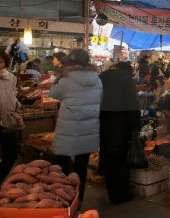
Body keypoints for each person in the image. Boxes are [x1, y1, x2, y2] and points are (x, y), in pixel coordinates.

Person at [48, 48, 102, 205]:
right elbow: (99, 98)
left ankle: (63, 202)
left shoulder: (67, 79)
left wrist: (60, 75)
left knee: (62, 167)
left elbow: (52, 93)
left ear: (70, 62)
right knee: (81, 168)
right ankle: (79, 200)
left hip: (68, 130)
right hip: (89, 130)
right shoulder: (97, 79)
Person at [99, 61, 141, 205]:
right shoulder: (126, 79)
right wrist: (136, 127)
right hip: (122, 123)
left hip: (104, 121)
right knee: (122, 160)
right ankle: (121, 194)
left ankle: (111, 193)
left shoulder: (101, 77)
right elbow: (132, 103)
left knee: (108, 157)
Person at [0, 50, 21, 184]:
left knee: (11, 155)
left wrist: (17, 107)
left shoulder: (12, 78)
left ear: (5, 63)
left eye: (0, 62)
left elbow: (13, 96)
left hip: (8, 119)